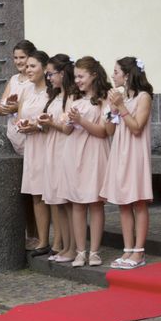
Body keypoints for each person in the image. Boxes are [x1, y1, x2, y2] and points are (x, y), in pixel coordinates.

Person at [101, 57, 154, 269]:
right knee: (123, 202)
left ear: (128, 74)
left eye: (116, 71)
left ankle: (139, 252)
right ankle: (127, 248)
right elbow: (110, 131)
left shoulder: (143, 98)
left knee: (138, 201)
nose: (113, 75)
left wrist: (121, 106)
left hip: (136, 153)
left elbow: (137, 127)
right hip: (120, 152)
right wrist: (112, 111)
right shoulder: (120, 98)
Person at [59, 56, 111, 267]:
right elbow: (66, 130)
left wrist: (82, 121)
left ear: (94, 75)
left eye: (81, 76)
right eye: (76, 76)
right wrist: (71, 121)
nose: (78, 80)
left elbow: (103, 132)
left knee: (95, 203)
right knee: (78, 203)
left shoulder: (104, 98)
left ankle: (95, 251)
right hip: (74, 152)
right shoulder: (73, 97)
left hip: (95, 152)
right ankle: (80, 251)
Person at [0, 39, 39, 250]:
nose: (19, 61)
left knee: (34, 189)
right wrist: (8, 108)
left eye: (23, 57)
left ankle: (37, 233)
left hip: (31, 137)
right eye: (16, 58)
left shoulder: (34, 80)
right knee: (23, 190)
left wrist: (15, 107)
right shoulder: (13, 80)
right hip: (14, 137)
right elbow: (0, 107)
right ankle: (27, 232)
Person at [38, 54, 76, 262]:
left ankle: (71, 247)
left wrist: (51, 123)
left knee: (66, 201)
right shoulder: (55, 96)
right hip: (51, 149)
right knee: (57, 201)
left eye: (51, 74)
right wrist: (44, 123)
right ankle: (64, 246)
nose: (49, 78)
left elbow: (68, 129)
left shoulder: (70, 97)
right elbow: (52, 123)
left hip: (64, 150)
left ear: (62, 73)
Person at [16, 50, 51, 255]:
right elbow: (20, 115)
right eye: (27, 66)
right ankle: (42, 239)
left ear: (44, 68)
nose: (28, 69)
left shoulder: (51, 91)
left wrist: (37, 126)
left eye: (32, 66)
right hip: (31, 145)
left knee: (51, 194)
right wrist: (23, 125)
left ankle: (58, 241)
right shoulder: (26, 91)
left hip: (46, 143)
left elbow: (54, 118)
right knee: (36, 194)